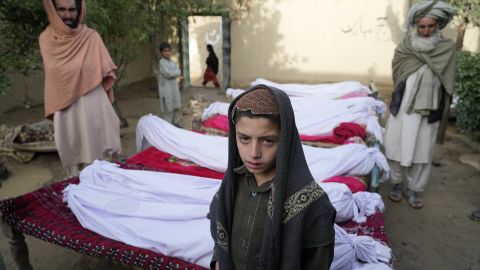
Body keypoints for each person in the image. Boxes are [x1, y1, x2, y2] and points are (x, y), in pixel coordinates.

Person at [209, 85, 336, 269]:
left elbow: (318, 262)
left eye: (267, 140)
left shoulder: (312, 204)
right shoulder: (233, 183)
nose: (253, 153)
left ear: (285, 139)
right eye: (244, 138)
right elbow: (220, 231)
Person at [384, 1, 456, 209]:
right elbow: (397, 74)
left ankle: (415, 189)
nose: (425, 31)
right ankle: (396, 184)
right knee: (395, 146)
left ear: (438, 25)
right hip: (403, 108)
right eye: (421, 26)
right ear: (415, 26)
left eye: (430, 26)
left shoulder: (446, 49)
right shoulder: (405, 48)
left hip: (429, 111)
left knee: (422, 152)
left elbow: (448, 83)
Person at [39, 0, 121, 177]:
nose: (67, 15)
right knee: (76, 171)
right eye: (62, 9)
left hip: (95, 109)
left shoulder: (91, 37)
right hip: (66, 111)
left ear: (79, 11)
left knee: (101, 167)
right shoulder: (46, 39)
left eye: (71, 10)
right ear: (54, 10)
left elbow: (107, 74)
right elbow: (55, 78)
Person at [158, 42, 182, 125]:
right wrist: (175, 73)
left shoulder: (173, 62)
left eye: (169, 51)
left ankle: (175, 125)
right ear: (161, 53)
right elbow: (168, 74)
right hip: (166, 90)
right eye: (165, 51)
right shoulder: (162, 62)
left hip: (174, 89)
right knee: (168, 109)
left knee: (176, 107)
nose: (167, 53)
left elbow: (179, 71)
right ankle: (168, 128)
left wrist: (175, 73)